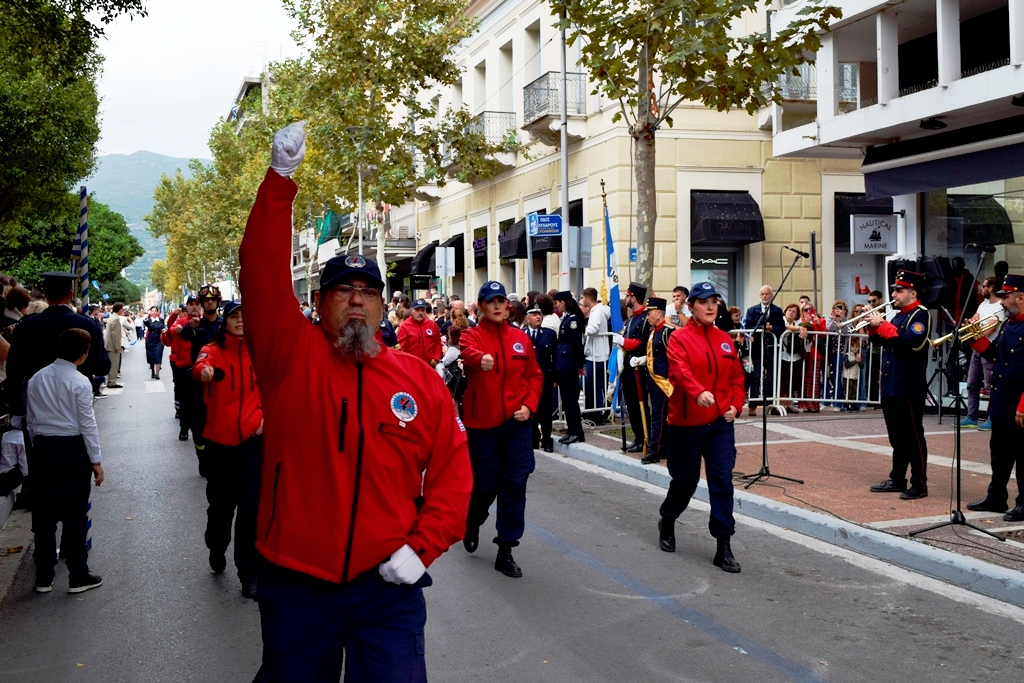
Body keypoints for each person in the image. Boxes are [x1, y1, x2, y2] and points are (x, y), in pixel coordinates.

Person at [240, 122, 472, 681]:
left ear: (383, 305)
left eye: (369, 293)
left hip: (387, 584)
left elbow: (452, 473)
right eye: (344, 291)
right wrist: (279, 182)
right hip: (297, 582)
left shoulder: (418, 380)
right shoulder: (288, 354)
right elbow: (260, 273)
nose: (358, 303)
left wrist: (424, 547)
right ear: (320, 302)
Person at [658, 282, 745, 573]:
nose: (710, 307)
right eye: (703, 302)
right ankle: (668, 518)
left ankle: (723, 544)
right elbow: (678, 372)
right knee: (686, 482)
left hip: (720, 422)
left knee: (722, 480)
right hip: (687, 424)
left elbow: (736, 377)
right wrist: (698, 392)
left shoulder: (724, 339)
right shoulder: (679, 338)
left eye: (714, 302)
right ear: (691, 306)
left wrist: (736, 404)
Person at [459, 281, 543, 577]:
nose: (496, 306)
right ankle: (473, 519)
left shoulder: (521, 338)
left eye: (500, 301)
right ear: (480, 306)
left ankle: (505, 548)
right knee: (485, 485)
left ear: (508, 306)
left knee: (515, 482)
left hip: (516, 423)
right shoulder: (472, 336)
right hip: (482, 425)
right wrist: (478, 360)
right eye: (489, 301)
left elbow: (534, 376)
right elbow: (466, 352)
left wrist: (529, 406)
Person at [192, 300, 264, 598]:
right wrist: (203, 371)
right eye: (236, 316)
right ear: (226, 320)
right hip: (220, 444)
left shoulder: (262, 353)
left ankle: (249, 573)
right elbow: (200, 366)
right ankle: (216, 545)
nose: (242, 321)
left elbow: (278, 387)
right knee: (221, 507)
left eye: (247, 316)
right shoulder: (213, 349)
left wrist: (265, 418)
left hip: (253, 443)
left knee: (251, 509)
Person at [26, 328, 105, 594]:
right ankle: (77, 574)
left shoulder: (37, 378)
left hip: (44, 448)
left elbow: (31, 420)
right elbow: (87, 424)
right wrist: (96, 459)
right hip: (72, 449)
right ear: (83, 355)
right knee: (75, 514)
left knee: (44, 514)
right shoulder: (80, 382)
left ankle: (43, 576)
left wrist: (39, 446)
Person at [865, 270, 931, 499]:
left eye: (898, 290)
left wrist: (881, 323)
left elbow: (906, 342)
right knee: (896, 437)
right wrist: (872, 324)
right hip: (891, 384)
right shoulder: (897, 315)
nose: (894, 294)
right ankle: (898, 478)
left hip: (908, 385)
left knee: (913, 435)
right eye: (894, 290)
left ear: (912, 293)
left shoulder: (920, 315)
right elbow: (878, 340)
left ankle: (919, 483)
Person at [4, 273, 105, 421]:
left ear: (45, 295)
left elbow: (14, 369)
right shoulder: (89, 325)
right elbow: (101, 365)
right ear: (70, 295)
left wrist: (16, 408)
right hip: (76, 396)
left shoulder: (26, 326)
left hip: (38, 398)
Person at [966, 273, 1024, 522]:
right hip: (1001, 401)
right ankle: (997, 496)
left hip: (1019, 403)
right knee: (999, 453)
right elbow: (994, 356)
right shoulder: (1007, 325)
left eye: (1006, 297)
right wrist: (974, 336)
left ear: (1020, 298)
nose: (1001, 302)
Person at [181, 285, 223, 472]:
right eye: (206, 300)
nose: (210, 302)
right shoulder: (196, 325)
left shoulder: (225, 324)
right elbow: (182, 335)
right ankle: (202, 456)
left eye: (213, 299)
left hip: (221, 380)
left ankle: (218, 456)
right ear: (202, 303)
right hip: (198, 382)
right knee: (198, 423)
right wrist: (189, 325)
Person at [961, 277, 1002, 430]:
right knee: (972, 384)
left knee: (990, 386)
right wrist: (971, 324)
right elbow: (974, 321)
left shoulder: (1000, 306)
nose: (981, 288)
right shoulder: (983, 304)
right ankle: (971, 417)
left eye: (984, 286)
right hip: (977, 348)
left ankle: (992, 418)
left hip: (989, 349)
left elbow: (988, 330)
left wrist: (976, 327)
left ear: (990, 288)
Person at [641, 297, 676, 465]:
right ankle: (663, 447)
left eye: (649, 312)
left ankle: (654, 450)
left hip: (664, 381)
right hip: (654, 380)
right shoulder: (654, 331)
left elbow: (675, 357)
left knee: (659, 416)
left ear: (658, 313)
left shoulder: (668, 331)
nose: (647, 316)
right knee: (659, 416)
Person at [742, 285, 785, 416]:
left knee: (771, 376)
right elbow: (748, 325)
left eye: (767, 294)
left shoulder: (777, 310)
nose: (765, 296)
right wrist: (762, 327)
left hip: (771, 347)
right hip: (757, 348)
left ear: (771, 295)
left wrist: (772, 328)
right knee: (756, 376)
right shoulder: (752, 310)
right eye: (762, 294)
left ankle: (770, 404)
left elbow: (781, 327)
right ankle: (753, 405)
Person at [620, 282, 652, 453]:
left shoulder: (646, 318)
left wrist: (624, 342)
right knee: (631, 406)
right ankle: (638, 436)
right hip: (628, 368)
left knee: (640, 406)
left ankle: (644, 438)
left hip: (639, 369)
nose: (625, 299)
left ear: (633, 297)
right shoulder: (632, 318)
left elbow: (645, 343)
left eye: (627, 295)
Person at [553, 291, 587, 444]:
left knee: (570, 399)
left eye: (559, 302)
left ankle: (576, 431)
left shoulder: (573, 320)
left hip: (569, 363)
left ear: (565, 302)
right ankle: (571, 429)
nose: (557, 305)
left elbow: (576, 343)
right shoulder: (566, 318)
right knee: (566, 399)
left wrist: (580, 364)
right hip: (563, 362)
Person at [167, 297, 202, 440]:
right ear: (186, 307)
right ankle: (184, 428)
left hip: (201, 367)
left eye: (197, 304)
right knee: (185, 401)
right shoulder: (181, 322)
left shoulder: (205, 323)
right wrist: (178, 327)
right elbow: (171, 328)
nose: (194, 307)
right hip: (184, 368)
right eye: (191, 304)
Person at [524, 305, 557, 452]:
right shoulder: (521, 334)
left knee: (545, 411)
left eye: (540, 314)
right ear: (527, 318)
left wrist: (555, 377)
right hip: (527, 380)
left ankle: (547, 440)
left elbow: (555, 357)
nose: (538, 317)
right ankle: (533, 439)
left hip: (545, 378)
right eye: (534, 314)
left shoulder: (549, 334)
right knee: (531, 410)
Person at [581, 288, 610, 422]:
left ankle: (596, 414)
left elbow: (593, 329)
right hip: (597, 354)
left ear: (587, 299)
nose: (582, 301)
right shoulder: (598, 311)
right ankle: (594, 413)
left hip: (596, 355)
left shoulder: (597, 312)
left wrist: (583, 329)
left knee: (591, 385)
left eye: (583, 298)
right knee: (594, 385)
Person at [397, 298, 442, 368]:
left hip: (430, 366)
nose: (420, 313)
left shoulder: (432, 324)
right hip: (412, 367)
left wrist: (435, 358)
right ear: (412, 311)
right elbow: (401, 348)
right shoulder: (405, 326)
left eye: (422, 310)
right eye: (417, 310)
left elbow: (438, 343)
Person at [103, 302, 125, 389]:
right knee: (114, 364)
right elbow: (115, 334)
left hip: (109, 344)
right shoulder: (115, 319)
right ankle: (112, 381)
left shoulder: (112, 317)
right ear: (119, 309)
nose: (123, 310)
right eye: (122, 309)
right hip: (113, 346)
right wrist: (117, 346)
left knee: (112, 363)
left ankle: (110, 380)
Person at [143, 306, 166, 379]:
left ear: (157, 312)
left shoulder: (161, 320)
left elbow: (164, 327)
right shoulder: (148, 321)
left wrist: (164, 330)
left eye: (155, 311)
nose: (154, 312)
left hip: (159, 340)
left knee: (158, 355)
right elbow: (145, 322)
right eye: (152, 311)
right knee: (151, 357)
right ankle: (152, 371)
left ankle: (157, 374)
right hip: (150, 340)